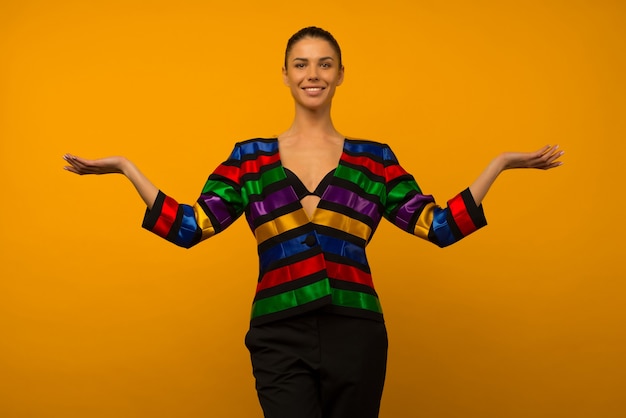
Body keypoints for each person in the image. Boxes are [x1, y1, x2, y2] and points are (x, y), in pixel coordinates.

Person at [64, 26, 563, 418]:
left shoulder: (374, 160)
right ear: (284, 74)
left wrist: (498, 165)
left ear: (341, 74)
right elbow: (191, 227)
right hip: (277, 330)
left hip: (356, 330)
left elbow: (438, 227)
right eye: (301, 64)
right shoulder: (249, 160)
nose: (313, 74)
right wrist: (128, 169)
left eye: (325, 64)